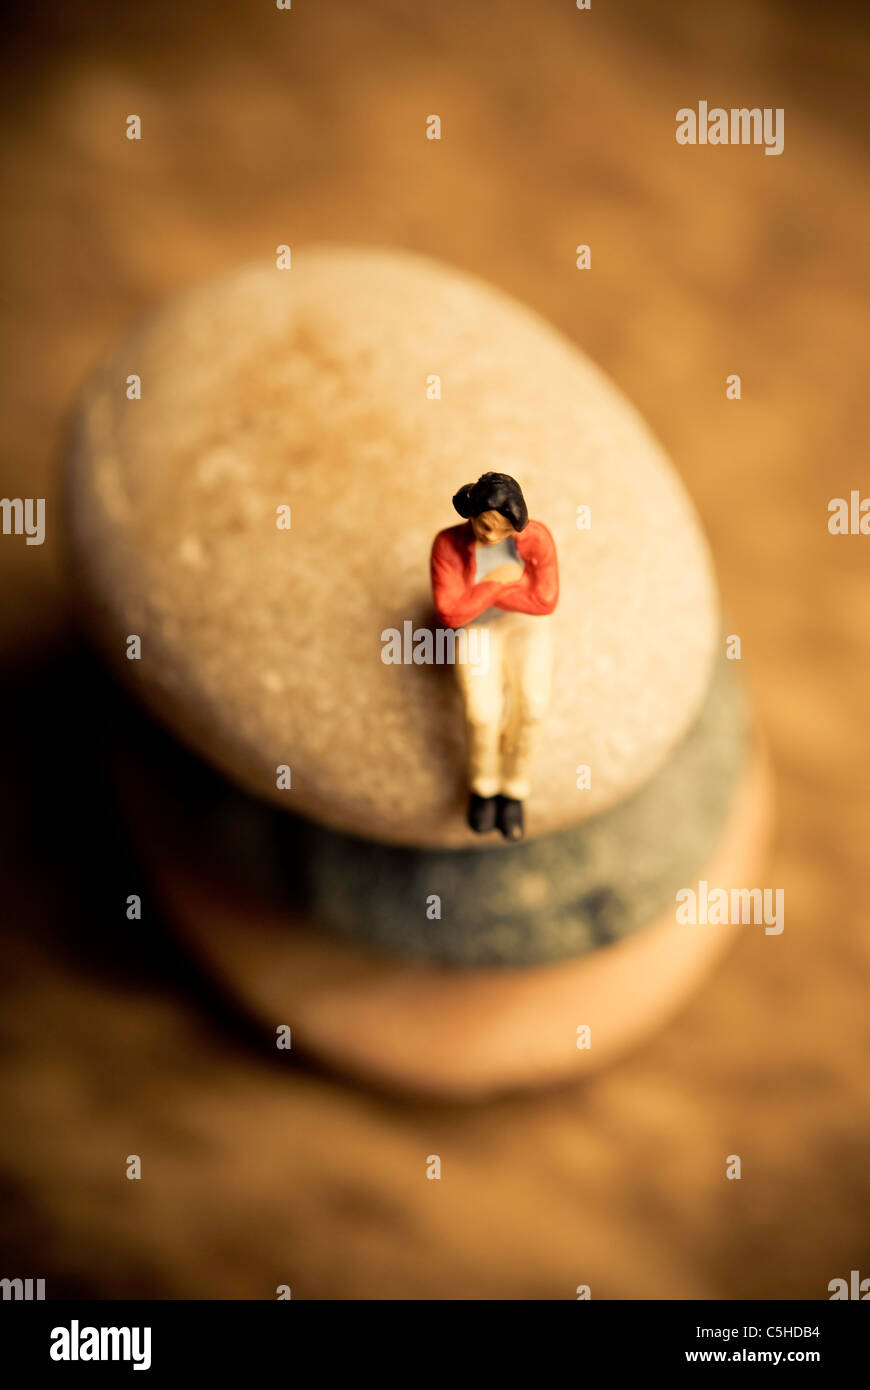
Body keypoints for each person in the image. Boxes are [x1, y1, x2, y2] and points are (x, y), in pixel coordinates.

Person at [430, 472, 559, 840]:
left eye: (499, 530)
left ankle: (514, 788)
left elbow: (545, 600)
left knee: (532, 705)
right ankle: (484, 786)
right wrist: (498, 584)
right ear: (470, 514)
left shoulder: (537, 539)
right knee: (482, 713)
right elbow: (451, 613)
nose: (488, 536)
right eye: (483, 526)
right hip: (477, 630)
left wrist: (479, 595)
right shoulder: (447, 545)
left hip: (524, 627)